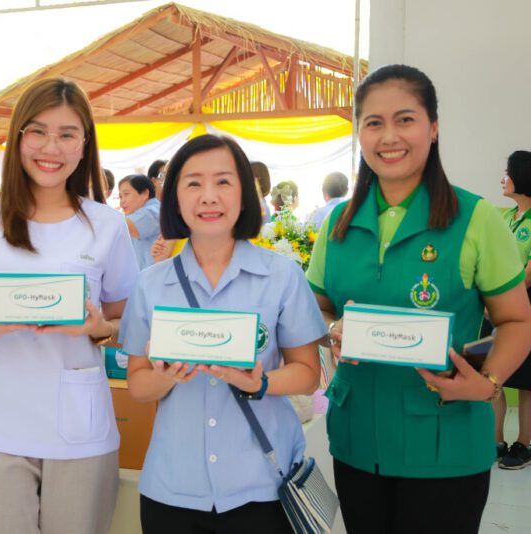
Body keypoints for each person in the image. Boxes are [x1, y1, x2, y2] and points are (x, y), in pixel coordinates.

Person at [306, 64, 531, 533]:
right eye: (374, 122)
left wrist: (488, 383)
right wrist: (332, 330)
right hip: (357, 441)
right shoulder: (337, 225)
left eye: (405, 119)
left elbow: (516, 321)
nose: (389, 136)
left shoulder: (476, 219)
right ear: (360, 134)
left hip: (445, 442)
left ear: (433, 128)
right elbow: (315, 307)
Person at [0, 78, 138, 534]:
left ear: (84, 145)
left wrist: (96, 327)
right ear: (18, 137)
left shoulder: (107, 225)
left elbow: (125, 324)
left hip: (80, 424)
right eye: (38, 131)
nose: (51, 147)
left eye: (67, 134)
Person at [120, 134, 325, 534]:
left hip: (263, 487)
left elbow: (307, 373)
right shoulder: (150, 284)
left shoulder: (282, 276)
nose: (209, 196)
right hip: (173, 488)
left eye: (223, 182)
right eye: (194, 183)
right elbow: (138, 385)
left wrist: (260, 382)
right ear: (174, 198)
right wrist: (166, 377)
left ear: (245, 194)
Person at [493, 150, 531, 469]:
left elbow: (527, 275)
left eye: (507, 172)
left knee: (526, 382)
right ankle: (495, 441)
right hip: (495, 308)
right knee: (493, 376)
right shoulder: (504, 218)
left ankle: (523, 444)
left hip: (525, 308)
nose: (503, 179)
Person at [119, 174, 160, 270]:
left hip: (153, 276)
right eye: (120, 197)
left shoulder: (153, 211)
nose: (122, 201)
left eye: (126, 194)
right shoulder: (135, 214)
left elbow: (122, 226)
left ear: (145, 193)